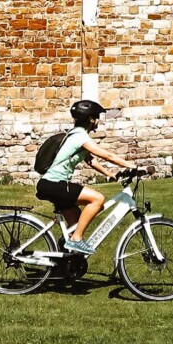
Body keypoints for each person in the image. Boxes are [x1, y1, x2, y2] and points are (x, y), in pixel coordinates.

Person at [35, 100, 139, 255]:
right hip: (54, 184)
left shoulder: (75, 135)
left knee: (76, 222)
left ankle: (65, 260)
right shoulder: (80, 136)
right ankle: (76, 239)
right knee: (97, 199)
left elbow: (91, 160)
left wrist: (109, 174)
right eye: (97, 117)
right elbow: (106, 155)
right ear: (91, 119)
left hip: (51, 184)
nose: (98, 121)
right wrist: (132, 166)